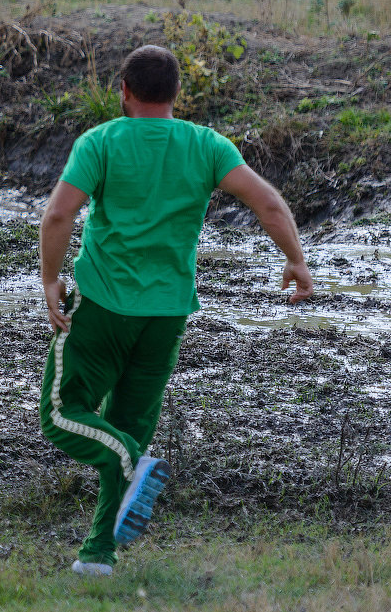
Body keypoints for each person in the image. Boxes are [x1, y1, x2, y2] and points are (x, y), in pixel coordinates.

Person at [38, 45, 313, 576]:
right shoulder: (207, 145)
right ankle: (98, 555)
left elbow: (58, 215)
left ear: (123, 91)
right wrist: (296, 261)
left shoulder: (101, 141)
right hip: (167, 316)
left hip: (102, 307)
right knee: (131, 421)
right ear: (175, 94)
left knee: (60, 416)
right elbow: (270, 204)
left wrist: (51, 279)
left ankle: (133, 465)